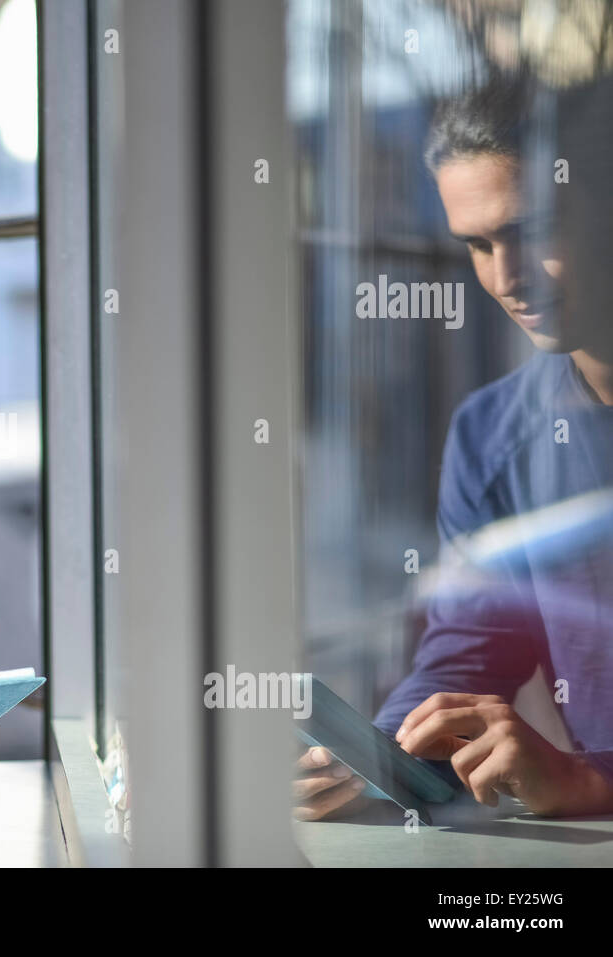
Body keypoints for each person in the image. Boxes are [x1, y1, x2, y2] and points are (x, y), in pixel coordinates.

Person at [296, 74, 613, 821]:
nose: (507, 279)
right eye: (477, 243)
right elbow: (471, 645)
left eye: (534, 232)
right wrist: (372, 756)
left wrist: (588, 781)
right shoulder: (493, 433)